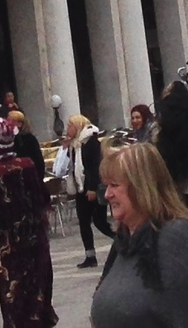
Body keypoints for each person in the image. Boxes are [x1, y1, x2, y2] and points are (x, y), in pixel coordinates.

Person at [90, 142, 188, 328]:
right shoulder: (126, 240)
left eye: (115, 185)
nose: (108, 194)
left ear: (141, 187)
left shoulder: (180, 238)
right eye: (106, 186)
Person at [0, 119, 56, 328]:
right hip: (35, 240)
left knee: (13, 292)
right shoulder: (27, 165)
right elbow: (44, 197)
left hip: (7, 247)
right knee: (38, 286)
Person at [61, 115, 109, 270]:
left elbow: (95, 166)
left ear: (78, 126)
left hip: (91, 187)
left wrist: (93, 188)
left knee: (100, 221)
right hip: (80, 188)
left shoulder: (91, 142)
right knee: (83, 221)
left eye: (70, 125)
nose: (68, 129)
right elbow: (72, 165)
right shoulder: (75, 144)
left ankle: (122, 240)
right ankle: (90, 255)